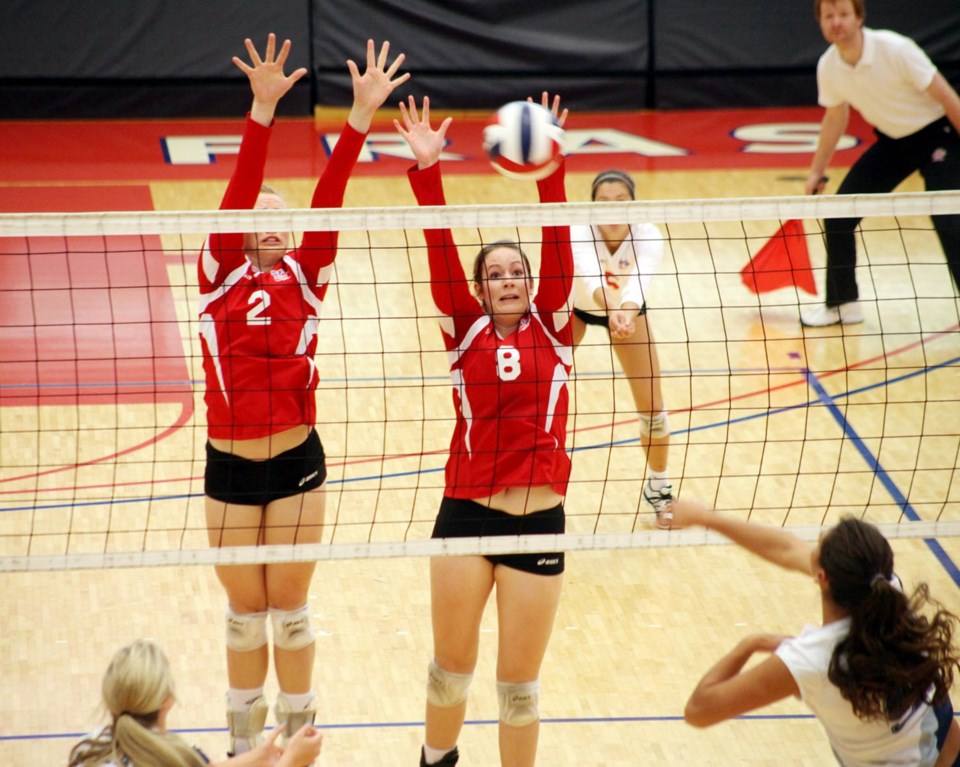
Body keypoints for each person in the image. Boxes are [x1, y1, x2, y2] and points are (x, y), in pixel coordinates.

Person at [197, 34, 409, 754]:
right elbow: (237, 200)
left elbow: (330, 197)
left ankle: (298, 736)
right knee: (242, 613)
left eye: (283, 218)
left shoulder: (308, 278)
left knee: (288, 612)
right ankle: (241, 742)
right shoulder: (218, 275)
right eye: (262, 216)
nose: (275, 224)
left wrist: (357, 121)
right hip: (228, 464)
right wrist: (262, 112)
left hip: (295, 462)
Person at [393, 93, 574, 767]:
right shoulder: (462, 327)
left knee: (518, 688)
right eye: (493, 273)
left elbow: (556, 245)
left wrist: (551, 168)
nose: (507, 279)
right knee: (449, 668)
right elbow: (438, 244)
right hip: (466, 516)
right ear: (478, 288)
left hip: (537, 521)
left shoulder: (556, 327)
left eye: (516, 272)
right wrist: (428, 169)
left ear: (531, 285)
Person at [672, 499, 960, 766]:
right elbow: (786, 549)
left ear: (821, 577)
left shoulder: (812, 661)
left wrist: (750, 644)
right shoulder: (889, 596)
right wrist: (706, 518)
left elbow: (699, 710)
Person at [800, 0, 960, 327]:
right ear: (820, 22)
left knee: (949, 217)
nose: (836, 22)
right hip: (893, 142)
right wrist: (817, 169)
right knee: (839, 213)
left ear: (859, 18)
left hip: (938, 136)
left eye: (843, 14)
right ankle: (843, 303)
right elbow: (835, 116)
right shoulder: (829, 66)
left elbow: (948, 97)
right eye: (828, 16)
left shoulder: (896, 49)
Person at [569, 170, 675, 528]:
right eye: (603, 202)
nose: (612, 210)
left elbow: (640, 282)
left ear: (633, 204)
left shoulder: (648, 235)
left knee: (653, 410)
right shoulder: (578, 231)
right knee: (538, 393)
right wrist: (612, 309)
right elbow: (588, 275)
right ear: (592, 206)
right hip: (577, 308)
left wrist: (624, 313)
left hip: (628, 311)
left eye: (621, 202)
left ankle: (659, 489)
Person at [67, 639, 324, 767]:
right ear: (167, 700)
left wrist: (258, 757)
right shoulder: (179, 754)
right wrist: (290, 761)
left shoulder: (89, 749)